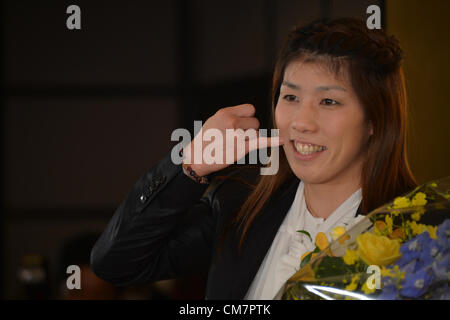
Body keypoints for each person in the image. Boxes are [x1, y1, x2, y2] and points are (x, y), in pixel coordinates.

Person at [90, 18, 417, 300]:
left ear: (375, 120)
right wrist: (188, 167)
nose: (300, 122)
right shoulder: (242, 202)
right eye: (290, 97)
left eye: (329, 101)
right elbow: (116, 262)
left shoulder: (417, 231)